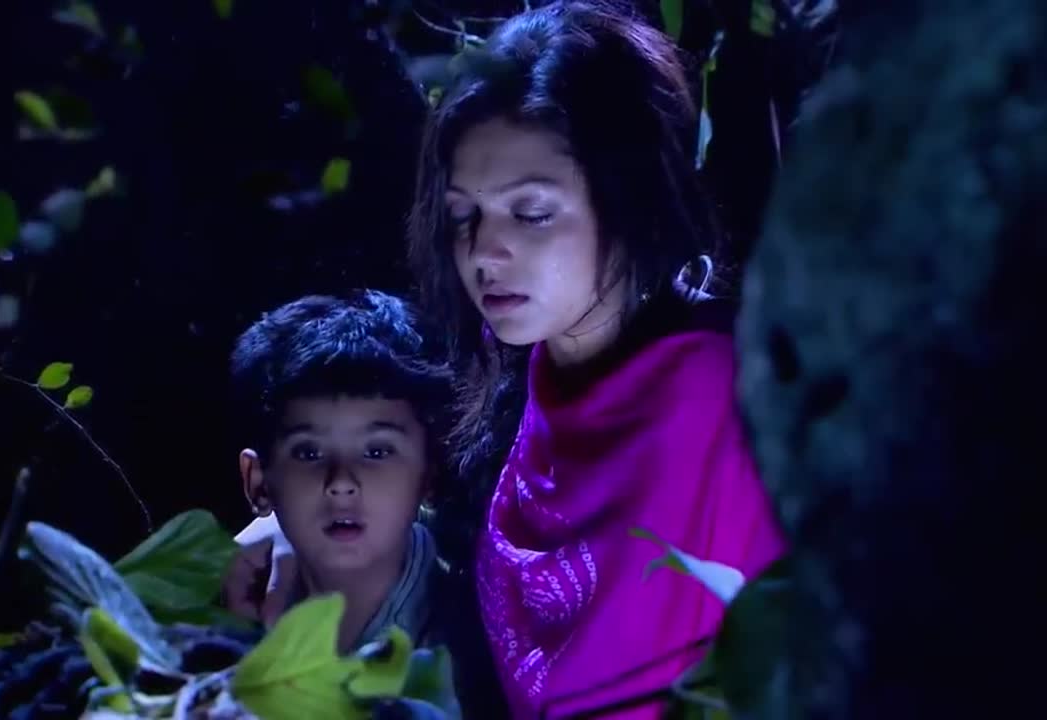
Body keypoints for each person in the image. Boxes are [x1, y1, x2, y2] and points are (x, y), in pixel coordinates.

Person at [231, 2, 786, 717]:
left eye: (531, 213)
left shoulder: (728, 407)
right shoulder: (517, 393)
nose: (484, 253)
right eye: (465, 216)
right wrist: (300, 527)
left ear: (629, 200)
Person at [223, 290, 452, 654]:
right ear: (258, 481)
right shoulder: (217, 621)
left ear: (431, 473)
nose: (341, 482)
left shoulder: (480, 618)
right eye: (308, 453)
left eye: (376, 452)